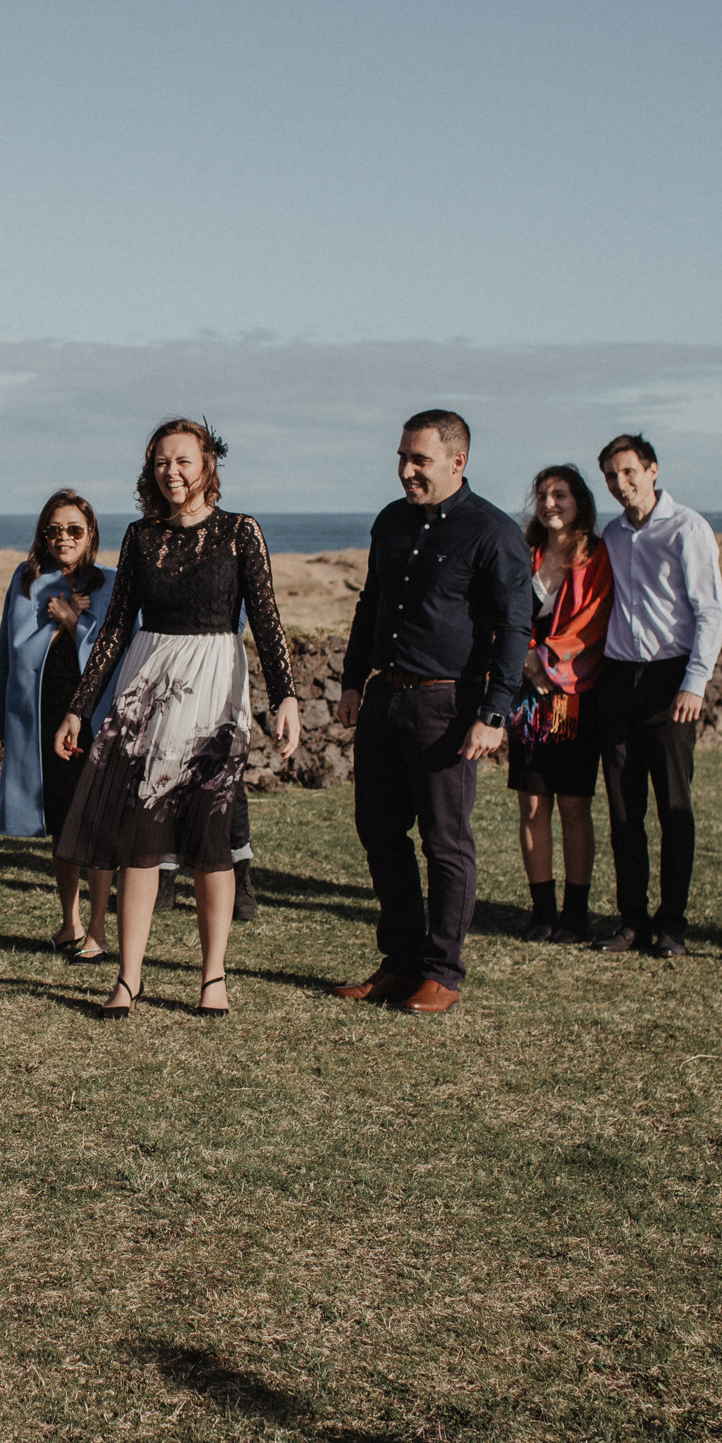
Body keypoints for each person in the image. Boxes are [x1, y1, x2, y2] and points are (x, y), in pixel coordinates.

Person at [53, 418, 300, 1019]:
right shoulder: (139, 538)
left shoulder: (242, 533)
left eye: (184, 460)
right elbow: (114, 629)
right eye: (163, 462)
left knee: (211, 837)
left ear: (208, 463)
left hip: (216, 684)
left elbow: (265, 619)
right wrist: (79, 707)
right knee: (140, 837)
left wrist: (285, 694)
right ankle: (128, 978)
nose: (173, 472)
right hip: (149, 687)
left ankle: (212, 977)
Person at [330, 410, 531, 1014]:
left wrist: (494, 714)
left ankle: (442, 971)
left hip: (449, 705)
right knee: (380, 832)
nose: (406, 470)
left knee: (446, 843)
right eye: (401, 457)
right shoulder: (390, 521)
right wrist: (351, 680)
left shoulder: (494, 533)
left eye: (419, 460)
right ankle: (401, 962)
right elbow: (371, 603)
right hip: (385, 698)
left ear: (457, 461)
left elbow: (516, 628)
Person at [589, 434, 722, 959]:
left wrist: (695, 681)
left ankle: (672, 926)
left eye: (628, 472)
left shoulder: (687, 527)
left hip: (671, 681)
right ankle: (631, 922)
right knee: (624, 810)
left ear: (652, 470)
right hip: (618, 680)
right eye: (610, 477)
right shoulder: (612, 535)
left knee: (673, 807)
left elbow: (710, 610)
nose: (620, 485)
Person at [0, 490, 118, 960]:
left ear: (91, 536)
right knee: (61, 823)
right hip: (41, 721)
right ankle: (70, 923)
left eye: (74, 530)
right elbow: (10, 652)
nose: (63, 538)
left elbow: (115, 653)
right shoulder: (25, 582)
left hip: (95, 719)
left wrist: (76, 623)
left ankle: (99, 931)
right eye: (54, 530)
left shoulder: (112, 584)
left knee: (98, 825)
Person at [508, 464, 614, 946]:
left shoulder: (595, 555)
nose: (550, 503)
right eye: (543, 495)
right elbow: (502, 613)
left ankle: (575, 913)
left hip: (573, 697)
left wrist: (544, 660)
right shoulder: (523, 554)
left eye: (561, 494)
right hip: (526, 702)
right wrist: (523, 663)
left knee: (573, 805)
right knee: (532, 804)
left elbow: (593, 621)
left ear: (579, 502)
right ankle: (541, 911)